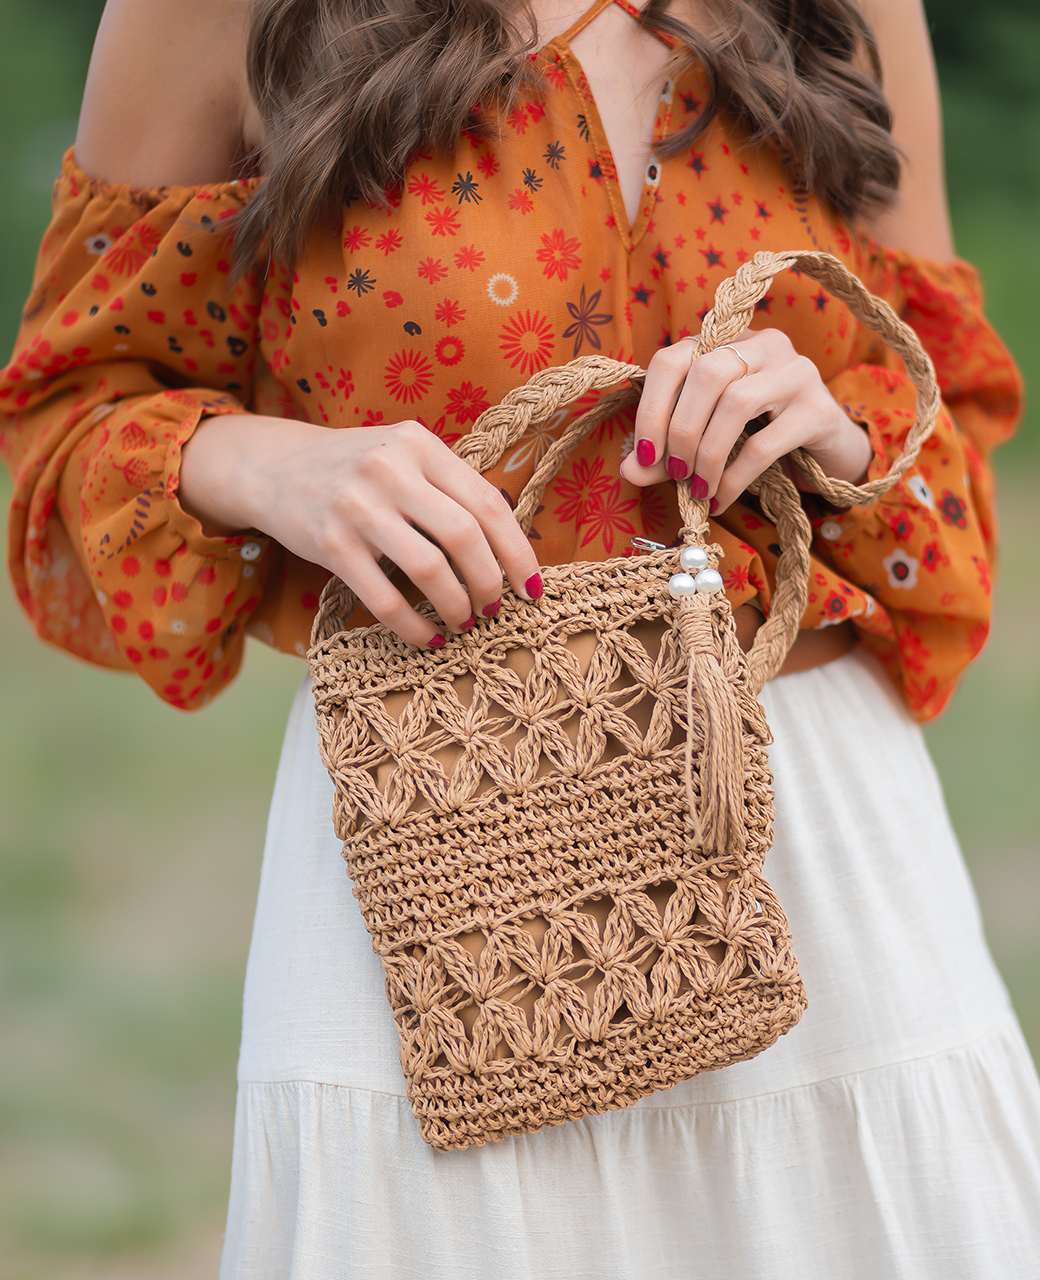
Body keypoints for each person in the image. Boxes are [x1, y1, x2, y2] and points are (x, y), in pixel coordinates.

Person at [2, 0, 1039, 1274]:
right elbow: (62, 430)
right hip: (443, 850)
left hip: (816, 850)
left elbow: (949, 451)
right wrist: (269, 466)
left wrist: (834, 429)